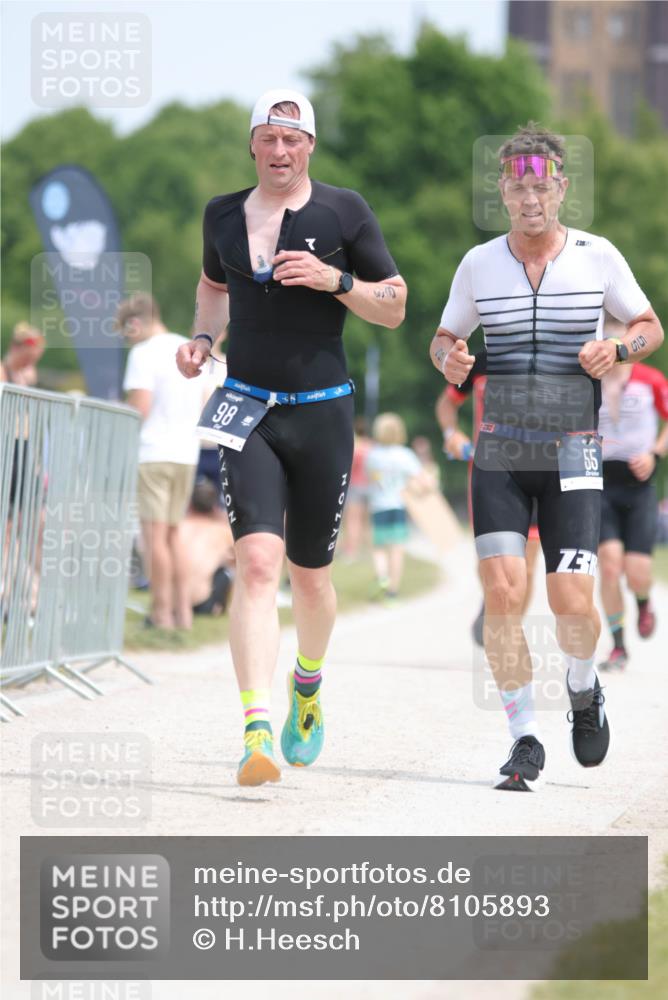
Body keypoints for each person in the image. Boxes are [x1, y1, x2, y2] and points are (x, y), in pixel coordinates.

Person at [176, 89, 406, 786]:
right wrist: (201, 336)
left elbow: (394, 305)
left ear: (309, 146)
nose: (280, 151)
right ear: (252, 144)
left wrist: (338, 280)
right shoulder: (221, 212)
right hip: (246, 408)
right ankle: (254, 727)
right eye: (268, 139)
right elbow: (212, 287)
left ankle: (306, 685)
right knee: (254, 566)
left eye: (292, 139)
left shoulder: (344, 211)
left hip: (323, 412)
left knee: (311, 579)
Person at [429, 122, 663, 791]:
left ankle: (584, 689)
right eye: (517, 184)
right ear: (502, 190)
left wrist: (616, 350)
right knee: (502, 594)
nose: (530, 195)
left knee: (570, 601)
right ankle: (523, 737)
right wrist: (452, 360)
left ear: (561, 188)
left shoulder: (599, 257)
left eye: (542, 183)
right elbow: (443, 340)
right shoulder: (479, 264)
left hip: (573, 450)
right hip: (499, 448)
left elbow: (649, 327)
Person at [436, 348, 541, 645]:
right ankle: (494, 598)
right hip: (490, 471)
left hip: (538, 470)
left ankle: (508, 635)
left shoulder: (550, 353)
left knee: (527, 564)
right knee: (490, 561)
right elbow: (446, 404)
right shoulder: (480, 362)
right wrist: (451, 435)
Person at [119, 293, 210, 630]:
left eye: (126, 331)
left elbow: (140, 407)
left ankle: (160, 613)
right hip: (186, 452)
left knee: (154, 537)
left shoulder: (143, 353)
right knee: (173, 535)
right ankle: (183, 613)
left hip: (153, 452)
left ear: (136, 323)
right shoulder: (188, 348)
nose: (128, 339)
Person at [597, 318, 668, 671]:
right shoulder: (588, 381)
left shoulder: (651, 379)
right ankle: (618, 645)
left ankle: (642, 602)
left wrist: (654, 454)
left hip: (640, 485)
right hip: (600, 483)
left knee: (637, 571)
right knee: (609, 568)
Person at [366, 413, 424, 602]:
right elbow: (419, 478)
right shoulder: (405, 455)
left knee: (379, 547)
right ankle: (392, 593)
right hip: (398, 506)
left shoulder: (373, 455)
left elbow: (370, 477)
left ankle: (382, 575)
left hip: (378, 506)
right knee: (397, 549)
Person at [180, 479, 235, 617]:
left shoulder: (177, 527)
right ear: (215, 507)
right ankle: (228, 606)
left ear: (190, 504)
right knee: (233, 565)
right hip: (204, 604)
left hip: (174, 601)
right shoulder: (222, 530)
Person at [341, 417, 372, 561]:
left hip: (355, 486)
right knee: (367, 521)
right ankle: (368, 549)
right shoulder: (372, 446)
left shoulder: (355, 447)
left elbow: (349, 468)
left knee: (352, 520)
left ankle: (351, 551)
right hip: (370, 487)